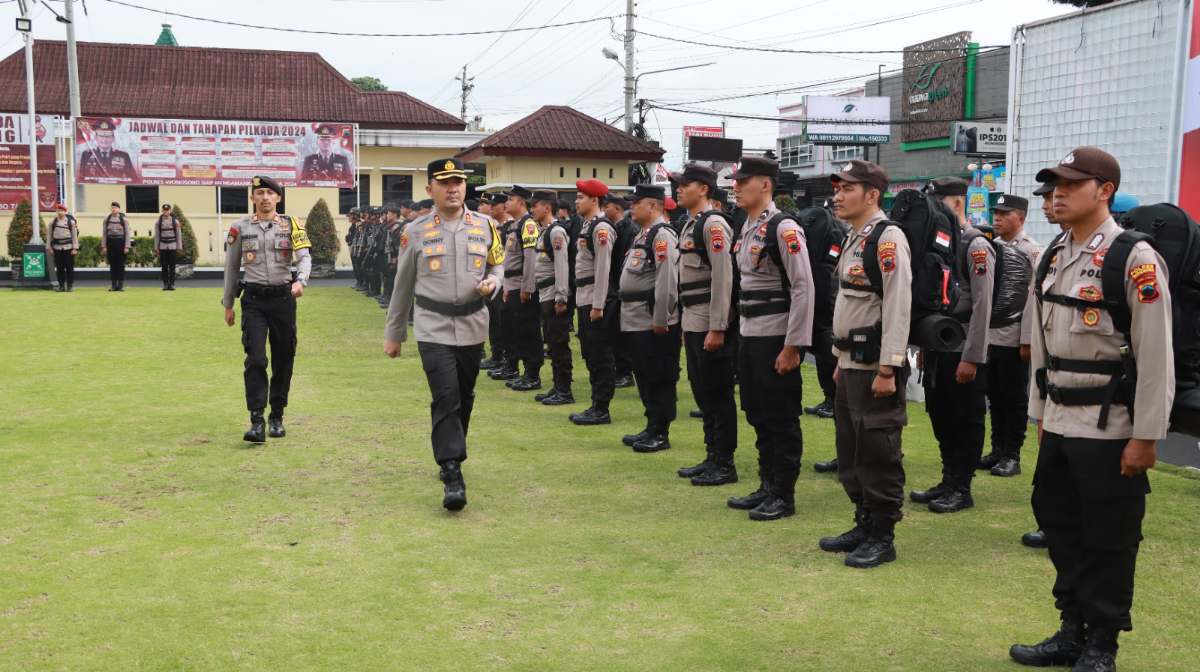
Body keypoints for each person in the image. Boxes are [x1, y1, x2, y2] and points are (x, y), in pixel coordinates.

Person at [1009, 147, 1173, 672]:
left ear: (1104, 190)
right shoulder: (1053, 254)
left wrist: (1146, 436)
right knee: (1060, 526)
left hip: (1111, 427)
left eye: (1070, 184)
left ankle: (1102, 643)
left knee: (1109, 537)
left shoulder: (1135, 258)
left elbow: (1156, 356)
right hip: (1059, 421)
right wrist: (1038, 414)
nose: (1057, 193)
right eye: (1053, 184)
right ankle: (1070, 629)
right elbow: (1041, 343)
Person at [384, 158, 504, 511]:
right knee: (446, 394)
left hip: (472, 325)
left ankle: (454, 447)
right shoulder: (416, 231)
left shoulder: (486, 226)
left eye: (458, 182)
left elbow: (498, 264)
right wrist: (394, 333)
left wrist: (494, 281)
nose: (453, 188)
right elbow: (402, 285)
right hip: (432, 326)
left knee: (464, 395)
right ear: (430, 189)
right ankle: (452, 471)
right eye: (445, 182)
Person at [818, 160, 911, 568]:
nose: (837, 196)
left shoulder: (888, 239)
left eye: (847, 188)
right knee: (850, 449)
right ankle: (863, 520)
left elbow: (897, 306)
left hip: (875, 367)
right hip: (849, 363)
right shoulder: (855, 237)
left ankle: (882, 534)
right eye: (836, 189)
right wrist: (839, 359)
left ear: (871, 194)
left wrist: (888, 368)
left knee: (878, 450)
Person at [724, 156, 815, 522]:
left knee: (781, 417)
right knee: (757, 413)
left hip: (776, 336)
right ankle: (767, 484)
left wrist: (794, 345)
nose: (736, 187)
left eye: (743, 182)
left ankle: (783, 493)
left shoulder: (784, 228)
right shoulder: (746, 227)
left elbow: (804, 287)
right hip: (749, 335)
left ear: (765, 184)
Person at [910, 176, 995, 514]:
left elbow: (983, 305)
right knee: (940, 412)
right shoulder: (938, 242)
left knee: (965, 415)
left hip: (962, 344)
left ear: (957, 202)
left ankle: (962, 485)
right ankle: (948, 478)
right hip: (937, 342)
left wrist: (972, 357)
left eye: (938, 202)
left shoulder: (975, 245)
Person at [221, 175, 312, 443]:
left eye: (270, 193)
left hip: (283, 299)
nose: (264, 198)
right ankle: (257, 420)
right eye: (259, 193)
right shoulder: (240, 228)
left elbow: (304, 257)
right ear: (252, 198)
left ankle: (277, 416)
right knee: (256, 358)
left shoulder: (292, 225)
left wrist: (301, 281)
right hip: (254, 301)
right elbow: (231, 267)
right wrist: (228, 304)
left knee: (284, 359)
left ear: (278, 198)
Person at [672, 164, 738, 487]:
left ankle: (724, 462)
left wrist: (718, 326)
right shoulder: (690, 225)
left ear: (704, 189)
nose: (679, 189)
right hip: (693, 318)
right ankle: (712, 455)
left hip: (709, 321)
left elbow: (723, 278)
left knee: (717, 393)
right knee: (703, 392)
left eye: (686, 184)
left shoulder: (713, 225)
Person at [978, 195, 1042, 477]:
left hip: (1014, 337)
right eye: (996, 213)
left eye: (1005, 214)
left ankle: (1012, 455)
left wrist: (1027, 339)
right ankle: (997, 450)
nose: (998, 218)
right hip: (990, 335)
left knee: (1014, 397)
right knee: (994, 394)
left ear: (1021, 218)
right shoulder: (992, 247)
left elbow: (1031, 298)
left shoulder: (1031, 251)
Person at [618, 184, 681, 453]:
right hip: (634, 317)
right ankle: (651, 424)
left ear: (653, 205)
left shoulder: (662, 235)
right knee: (643, 374)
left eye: (637, 202)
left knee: (658, 376)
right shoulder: (642, 235)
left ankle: (660, 431)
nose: (632, 207)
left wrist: (662, 318)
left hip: (650, 318)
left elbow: (667, 280)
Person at [1021, 181, 1064, 551]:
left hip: (1096, 385)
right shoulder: (1055, 251)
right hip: (1051, 375)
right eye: (1048, 197)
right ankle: (1053, 523)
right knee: (1051, 456)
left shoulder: (1120, 255)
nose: (1050, 204)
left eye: (1055, 196)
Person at [569, 179, 623, 425]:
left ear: (594, 200)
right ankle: (595, 404)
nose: (576, 201)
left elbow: (603, 269)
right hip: (585, 296)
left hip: (596, 298)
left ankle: (602, 408)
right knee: (590, 353)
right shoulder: (588, 225)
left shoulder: (601, 228)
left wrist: (598, 304)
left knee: (600, 354)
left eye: (581, 197)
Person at [530, 190, 574, 405]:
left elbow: (562, 265)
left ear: (547, 207)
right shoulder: (545, 231)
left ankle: (564, 390)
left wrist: (561, 297)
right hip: (545, 293)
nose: (532, 209)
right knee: (552, 342)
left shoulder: (556, 232)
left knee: (559, 342)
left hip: (554, 294)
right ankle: (558, 386)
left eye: (535, 205)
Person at [503, 186, 545, 392]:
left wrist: (527, 287)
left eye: (510, 200)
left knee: (529, 330)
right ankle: (524, 371)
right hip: (511, 284)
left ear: (521, 203)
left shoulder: (528, 224)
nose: (506, 203)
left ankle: (533, 374)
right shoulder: (514, 225)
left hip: (522, 284)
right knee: (517, 330)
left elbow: (530, 258)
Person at [603, 194, 637, 389]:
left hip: (620, 288)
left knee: (621, 334)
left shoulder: (629, 229)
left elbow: (623, 262)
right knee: (614, 333)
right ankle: (620, 369)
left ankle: (625, 372)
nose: (604, 209)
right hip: (614, 287)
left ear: (616, 208)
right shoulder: (617, 228)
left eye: (606, 206)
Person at [483, 193, 513, 371]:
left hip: (505, 280)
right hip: (493, 278)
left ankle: (501, 357)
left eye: (495, 205)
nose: (491, 208)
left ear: (503, 207)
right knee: (494, 319)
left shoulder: (509, 227)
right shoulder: (498, 227)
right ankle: (496, 355)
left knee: (501, 320)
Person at [100, 201, 131, 292]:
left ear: (119, 209)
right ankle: (114, 285)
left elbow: (127, 234)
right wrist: (104, 246)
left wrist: (127, 246)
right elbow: (104, 233)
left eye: (115, 208)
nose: (113, 209)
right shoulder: (107, 219)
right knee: (112, 265)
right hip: (110, 243)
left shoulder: (123, 220)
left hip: (120, 243)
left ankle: (120, 285)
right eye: (112, 208)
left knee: (120, 265)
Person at [49, 203, 79, 292]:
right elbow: (49, 236)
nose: (60, 212)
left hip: (68, 248)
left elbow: (74, 236)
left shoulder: (71, 222)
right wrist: (49, 247)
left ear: (65, 212)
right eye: (58, 210)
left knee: (69, 268)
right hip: (57, 248)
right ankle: (61, 286)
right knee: (59, 268)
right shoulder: (53, 222)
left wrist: (75, 248)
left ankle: (70, 286)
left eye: (62, 210)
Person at [154, 203, 184, 291]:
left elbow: (178, 235)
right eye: (164, 210)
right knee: (164, 267)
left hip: (172, 246)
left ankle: (172, 284)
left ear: (170, 211)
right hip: (163, 246)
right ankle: (165, 284)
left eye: (167, 210)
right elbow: (157, 236)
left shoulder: (175, 222)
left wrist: (179, 247)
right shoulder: (158, 222)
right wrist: (156, 248)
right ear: (162, 211)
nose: (166, 212)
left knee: (172, 267)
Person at [379, 203, 403, 308]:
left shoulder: (397, 226)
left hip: (394, 257)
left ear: (394, 214)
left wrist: (395, 258)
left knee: (393, 281)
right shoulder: (389, 226)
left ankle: (392, 301)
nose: (387, 215)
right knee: (387, 279)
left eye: (388, 214)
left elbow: (398, 244)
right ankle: (388, 298)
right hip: (387, 255)